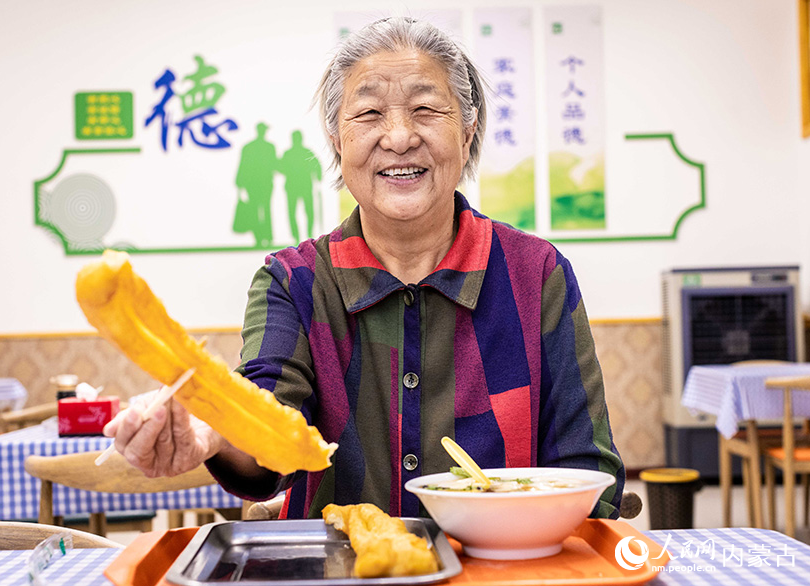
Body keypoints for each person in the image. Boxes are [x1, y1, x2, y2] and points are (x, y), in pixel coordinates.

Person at [105, 17, 625, 520]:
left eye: (426, 109)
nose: (399, 137)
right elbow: (267, 418)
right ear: (337, 139)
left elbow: (587, 467)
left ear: (467, 134)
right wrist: (210, 432)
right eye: (369, 114)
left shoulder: (536, 274)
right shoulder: (294, 281)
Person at [234, 122, 277, 246]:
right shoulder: (268, 147)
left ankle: (261, 237)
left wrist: (239, 181)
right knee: (264, 209)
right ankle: (265, 237)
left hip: (258, 184)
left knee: (259, 210)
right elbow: (243, 165)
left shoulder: (250, 147)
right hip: (259, 183)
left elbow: (242, 165)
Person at [279, 130, 322, 242]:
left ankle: (309, 234)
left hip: (305, 186)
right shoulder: (289, 153)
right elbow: (281, 168)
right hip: (293, 187)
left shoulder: (306, 153)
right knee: (293, 212)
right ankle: (296, 237)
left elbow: (316, 165)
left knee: (308, 211)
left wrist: (318, 176)